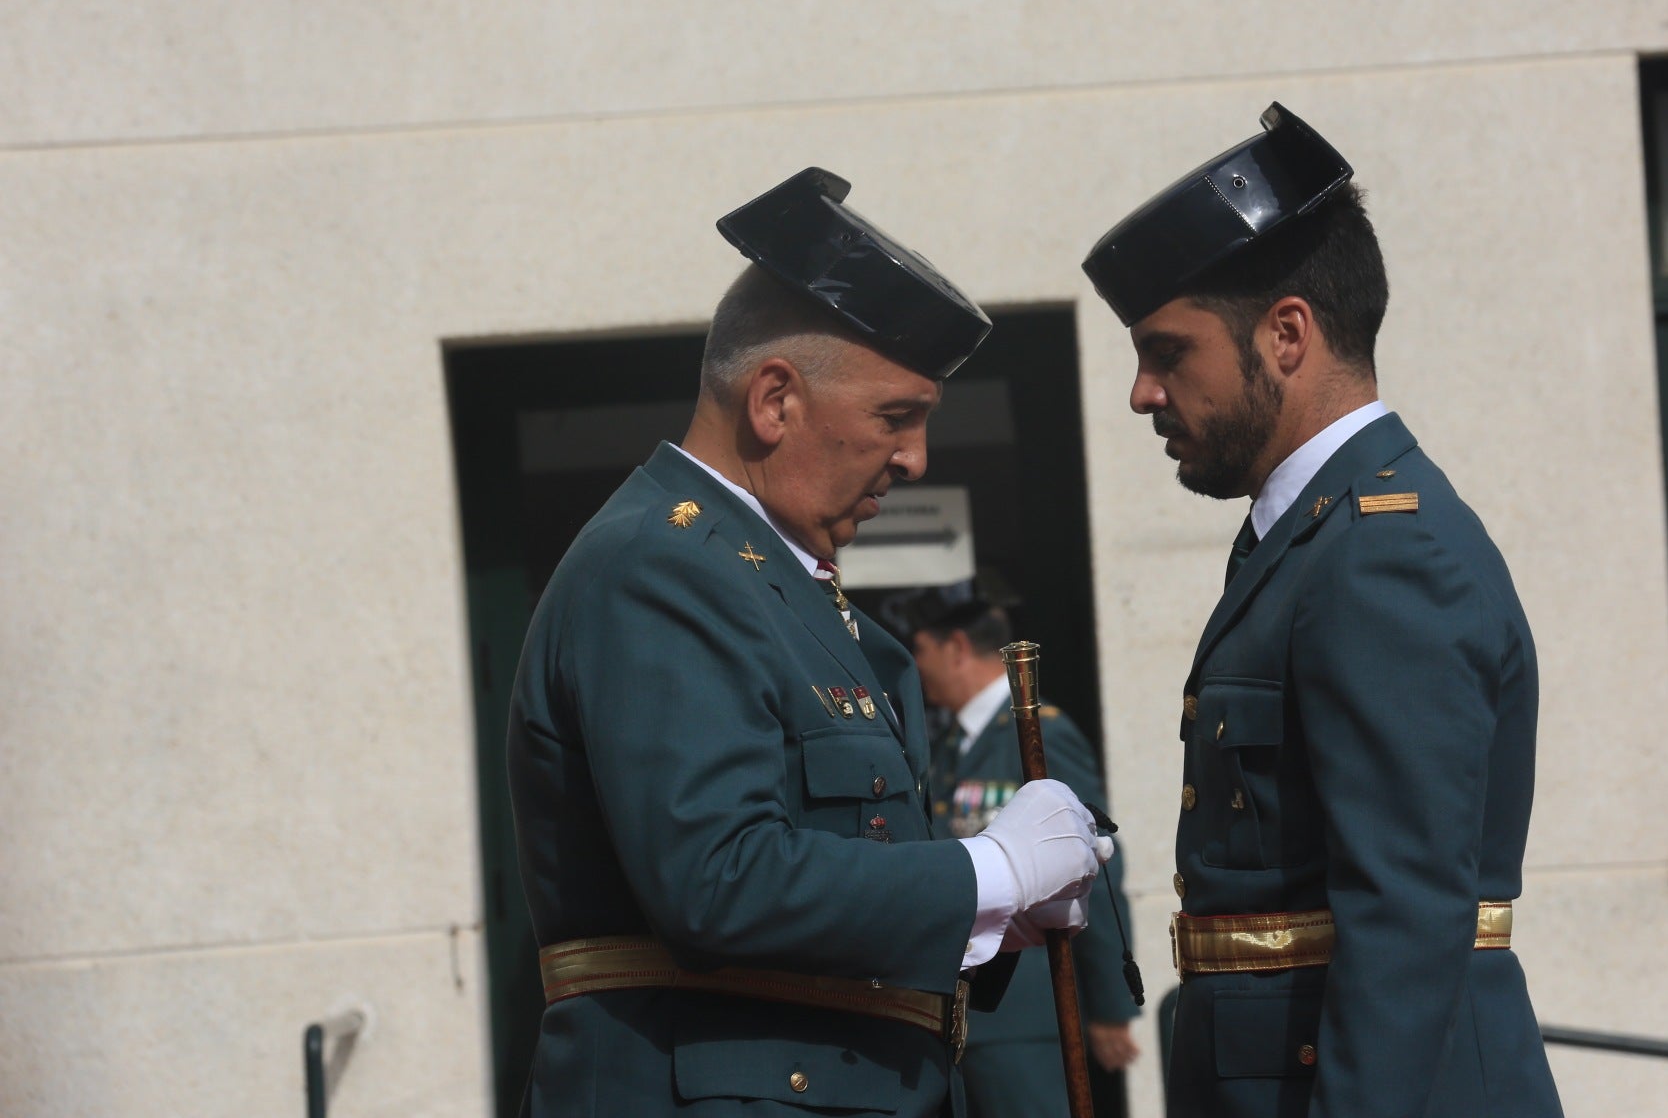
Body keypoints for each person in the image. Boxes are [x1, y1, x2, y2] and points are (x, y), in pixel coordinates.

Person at [507, 167, 1110, 1117]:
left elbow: (831, 878)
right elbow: (717, 879)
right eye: (893, 417)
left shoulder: (794, 599)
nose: (914, 459)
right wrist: (985, 871)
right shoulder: (660, 569)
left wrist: (997, 916)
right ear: (775, 401)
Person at [1081, 105, 1563, 1117]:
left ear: (1287, 334)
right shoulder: (1313, 538)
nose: (1142, 393)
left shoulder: (1381, 554)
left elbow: (1404, 917)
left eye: (1169, 353)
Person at [882, 577, 1144, 1118]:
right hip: (964, 1010)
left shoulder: (1038, 732)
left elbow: (1091, 863)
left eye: (922, 650)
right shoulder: (954, 743)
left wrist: (1111, 1007)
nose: (918, 667)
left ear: (956, 647)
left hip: (1025, 1016)